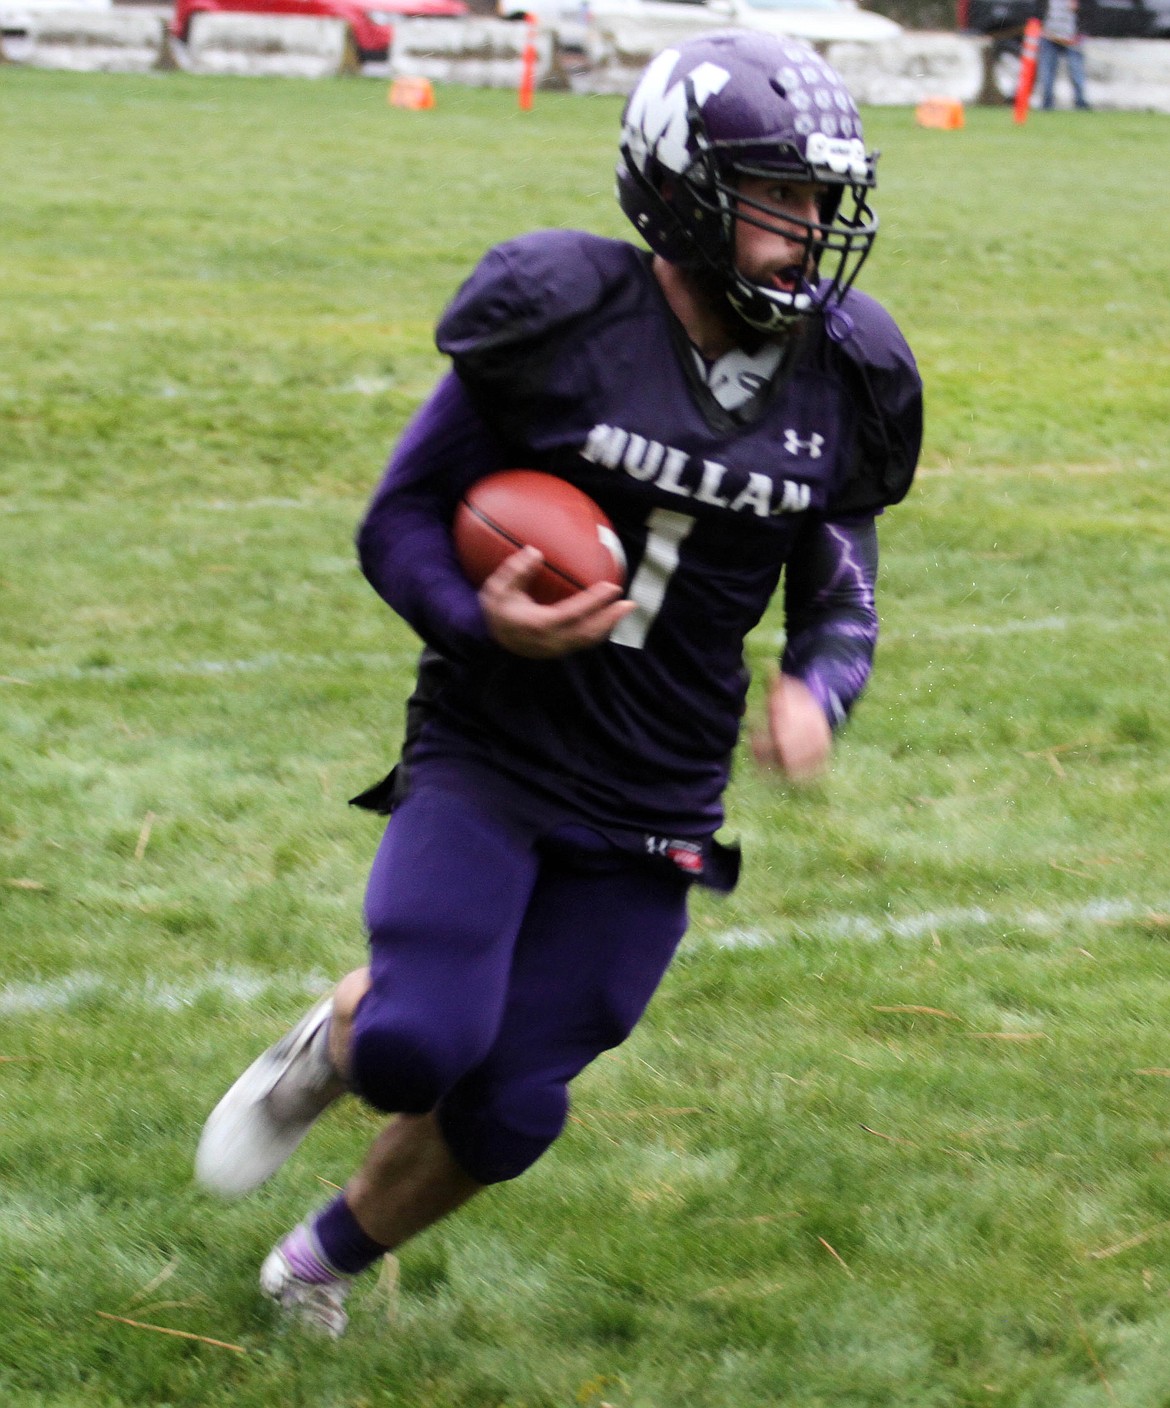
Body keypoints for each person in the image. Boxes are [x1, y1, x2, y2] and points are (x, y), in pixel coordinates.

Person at [194, 29, 922, 1339]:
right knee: (421, 1043)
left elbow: (841, 590)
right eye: (778, 194)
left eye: (822, 198)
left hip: (658, 792)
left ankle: (317, 1262)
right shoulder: (566, 314)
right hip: (497, 746)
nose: (808, 227)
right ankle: (339, 1038)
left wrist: (822, 685)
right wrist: (478, 616)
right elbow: (398, 520)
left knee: (512, 1106)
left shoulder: (845, 372)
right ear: (683, 185)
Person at [1038, 0, 1091, 110]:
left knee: (1076, 71)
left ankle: (1080, 102)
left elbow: (1090, 10)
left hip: (1072, 38)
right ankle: (1047, 103)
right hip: (1049, 36)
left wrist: (1081, 32)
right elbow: (1038, 8)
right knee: (1047, 72)